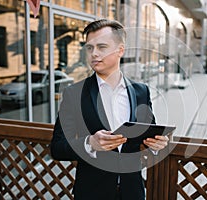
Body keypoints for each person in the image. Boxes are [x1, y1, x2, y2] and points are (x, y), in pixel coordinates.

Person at [50, 19, 169, 200]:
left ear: (120, 50)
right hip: (91, 193)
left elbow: (149, 134)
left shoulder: (141, 91)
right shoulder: (74, 94)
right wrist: (89, 143)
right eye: (89, 48)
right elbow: (57, 148)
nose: (94, 54)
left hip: (133, 192)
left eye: (102, 47)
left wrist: (157, 145)